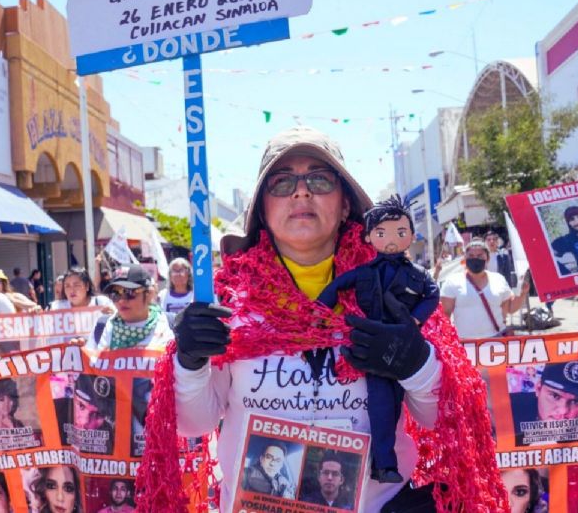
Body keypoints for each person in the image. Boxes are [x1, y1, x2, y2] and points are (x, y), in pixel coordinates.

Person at [163, 127, 502, 512]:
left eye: (319, 180)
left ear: (345, 206)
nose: (301, 192)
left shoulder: (394, 289)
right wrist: (190, 363)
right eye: (282, 182)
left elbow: (436, 416)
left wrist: (416, 364)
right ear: (262, 210)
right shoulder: (230, 301)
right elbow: (195, 423)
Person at [317, 194, 439, 482]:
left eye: (400, 232)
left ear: (410, 234)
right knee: (381, 406)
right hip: (371, 345)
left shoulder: (418, 275)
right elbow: (335, 287)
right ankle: (384, 465)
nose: (392, 239)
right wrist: (318, 313)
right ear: (370, 237)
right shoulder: (363, 273)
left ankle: (385, 464)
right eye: (382, 233)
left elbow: (432, 295)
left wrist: (415, 320)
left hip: (405, 344)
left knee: (395, 405)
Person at [440, 239, 530, 338]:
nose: (475, 259)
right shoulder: (452, 281)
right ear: (465, 259)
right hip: (464, 342)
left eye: (480, 256)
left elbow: (510, 308)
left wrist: (522, 294)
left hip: (496, 339)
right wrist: (445, 339)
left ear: (487, 258)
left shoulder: (498, 279)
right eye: (471, 256)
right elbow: (444, 314)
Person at [86, 264, 173, 353]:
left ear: (149, 294)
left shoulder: (171, 326)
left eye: (129, 293)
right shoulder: (102, 327)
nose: (121, 301)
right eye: (115, 294)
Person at [510, 361, 578, 446]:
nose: (563, 410)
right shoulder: (509, 411)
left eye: (576, 401)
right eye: (555, 396)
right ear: (538, 389)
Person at [54, 374, 115, 454]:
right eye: (81, 406)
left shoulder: (111, 437)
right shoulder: (53, 413)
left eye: (98, 414)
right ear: (73, 397)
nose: (85, 421)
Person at [51, 267, 116, 318]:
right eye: (67, 286)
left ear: (87, 286)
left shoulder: (102, 302)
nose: (72, 290)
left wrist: (113, 315)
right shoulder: (57, 308)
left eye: (76, 285)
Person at [157, 258, 194, 324]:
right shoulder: (162, 295)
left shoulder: (195, 295)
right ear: (170, 276)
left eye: (181, 271)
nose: (178, 275)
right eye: (174, 271)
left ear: (188, 274)